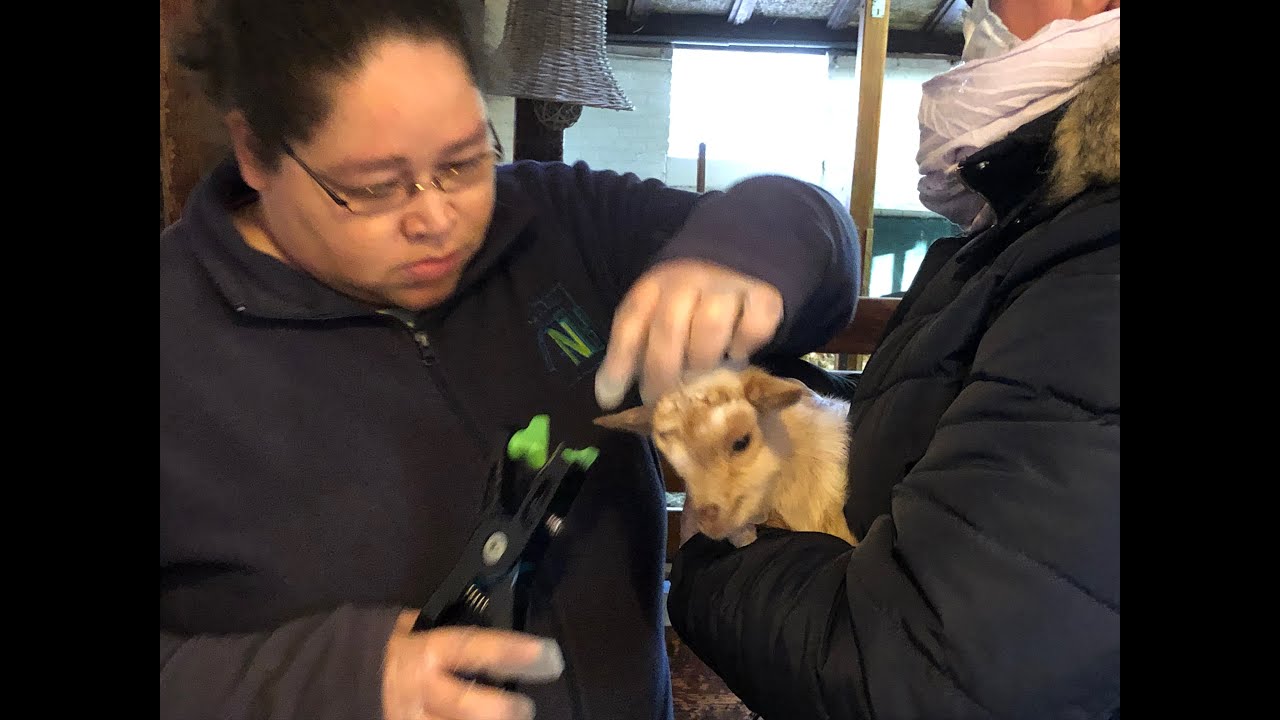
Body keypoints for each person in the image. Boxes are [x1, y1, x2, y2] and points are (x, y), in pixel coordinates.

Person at [158, 1, 860, 719]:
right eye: (374, 187)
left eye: (464, 162)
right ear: (254, 151)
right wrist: (331, 682)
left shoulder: (559, 219)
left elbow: (814, 229)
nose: (436, 219)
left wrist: (741, 250)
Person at [666, 1, 1120, 718]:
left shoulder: (1095, 248)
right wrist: (804, 392)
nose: (980, 13)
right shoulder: (1033, 219)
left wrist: (706, 562)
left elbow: (933, 671)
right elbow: (983, 411)